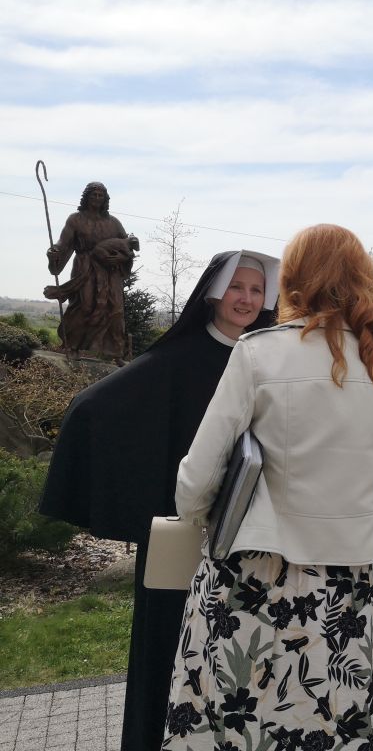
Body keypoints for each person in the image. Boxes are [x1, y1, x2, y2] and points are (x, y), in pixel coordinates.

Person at [165, 225, 373, 750]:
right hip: (345, 585)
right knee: (331, 720)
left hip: (252, 576)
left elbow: (199, 476)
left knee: (238, 720)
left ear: (293, 279)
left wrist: (198, 515)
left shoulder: (259, 353)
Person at [39, 249, 278, 751]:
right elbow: (93, 406)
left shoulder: (270, 359)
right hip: (184, 530)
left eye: (257, 290)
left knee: (239, 652)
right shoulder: (178, 357)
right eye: (237, 287)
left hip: (251, 533)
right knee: (168, 644)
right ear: (213, 293)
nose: (246, 299)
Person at [43, 182, 138, 361]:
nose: (97, 198)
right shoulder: (75, 220)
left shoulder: (114, 222)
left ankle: (115, 353)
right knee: (84, 306)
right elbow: (63, 243)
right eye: (93, 194)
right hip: (85, 269)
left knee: (115, 309)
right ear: (86, 197)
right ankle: (73, 346)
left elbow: (128, 247)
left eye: (100, 195)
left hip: (111, 271)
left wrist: (121, 258)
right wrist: (54, 252)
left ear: (105, 199)